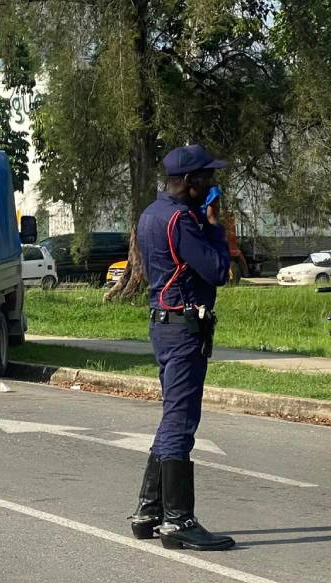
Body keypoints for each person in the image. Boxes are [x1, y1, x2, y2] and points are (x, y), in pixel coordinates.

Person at [128, 144, 236, 551]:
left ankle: (148, 512)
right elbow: (218, 270)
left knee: (172, 416)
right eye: (206, 176)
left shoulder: (150, 214)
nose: (212, 182)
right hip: (183, 328)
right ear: (189, 183)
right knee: (181, 421)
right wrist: (213, 225)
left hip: (164, 323)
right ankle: (178, 520)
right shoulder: (183, 221)